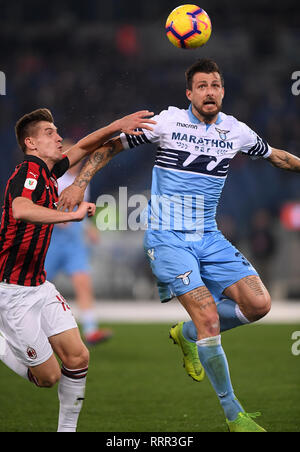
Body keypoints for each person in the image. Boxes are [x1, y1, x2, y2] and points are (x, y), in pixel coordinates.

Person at [57, 58, 300, 432]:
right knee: (210, 319)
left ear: (222, 91)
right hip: (167, 238)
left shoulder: (236, 131)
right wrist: (78, 181)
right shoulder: (168, 121)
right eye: (202, 86)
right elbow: (111, 147)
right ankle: (235, 415)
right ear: (189, 93)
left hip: (209, 236)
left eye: (215, 85)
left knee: (259, 304)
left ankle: (185, 335)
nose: (210, 91)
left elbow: (277, 157)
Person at [0, 107, 155, 432]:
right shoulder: (27, 172)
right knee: (48, 378)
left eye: (57, 131)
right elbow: (21, 209)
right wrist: (69, 215)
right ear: (30, 143)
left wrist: (117, 125)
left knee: (78, 358)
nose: (58, 137)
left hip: (38, 286)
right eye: (49, 133)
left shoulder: (48, 172)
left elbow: (83, 147)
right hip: (10, 291)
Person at [45, 150, 113, 345]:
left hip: (74, 242)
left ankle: (91, 331)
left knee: (83, 283)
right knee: (37, 285)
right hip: (53, 240)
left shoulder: (83, 181)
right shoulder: (55, 179)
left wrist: (88, 228)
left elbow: (80, 209)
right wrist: (59, 217)